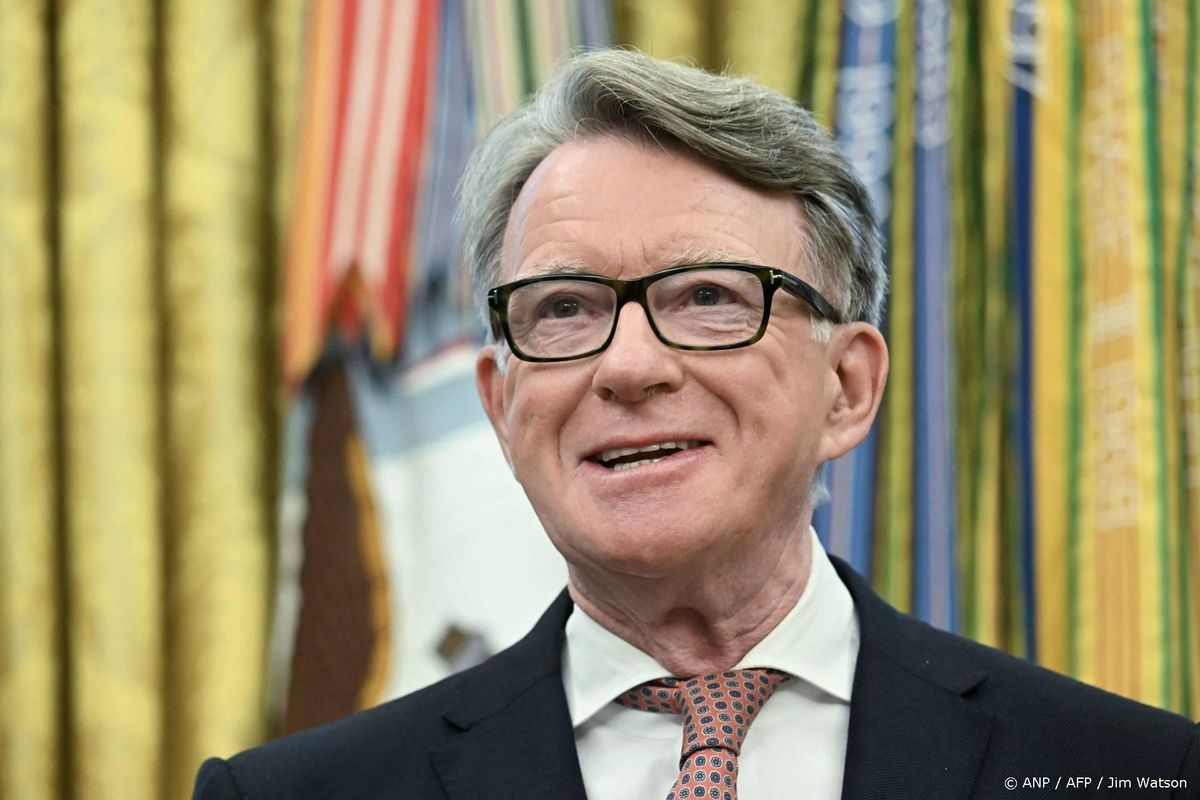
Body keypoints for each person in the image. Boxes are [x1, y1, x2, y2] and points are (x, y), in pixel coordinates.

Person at [194, 48, 1198, 799]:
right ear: (501, 404)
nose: (629, 366)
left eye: (709, 297)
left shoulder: (1135, 771)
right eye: (564, 308)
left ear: (847, 386)